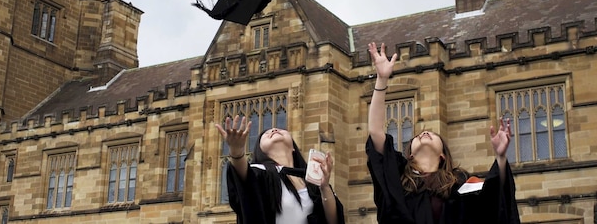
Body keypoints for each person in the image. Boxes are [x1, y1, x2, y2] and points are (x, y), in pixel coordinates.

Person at [366, 42, 521, 224]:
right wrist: (382, 79)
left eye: (433, 135)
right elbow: (376, 132)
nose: (424, 134)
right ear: (409, 153)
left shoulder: (462, 183)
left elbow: (495, 204)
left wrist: (501, 157)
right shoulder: (399, 179)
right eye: (417, 136)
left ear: (442, 155)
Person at [216, 116, 344, 224]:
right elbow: (241, 179)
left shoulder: (310, 180)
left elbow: (332, 221)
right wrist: (236, 151)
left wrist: (325, 187)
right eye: (265, 134)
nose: (274, 130)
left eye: (280, 129)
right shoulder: (258, 173)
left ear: (293, 147)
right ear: (260, 150)